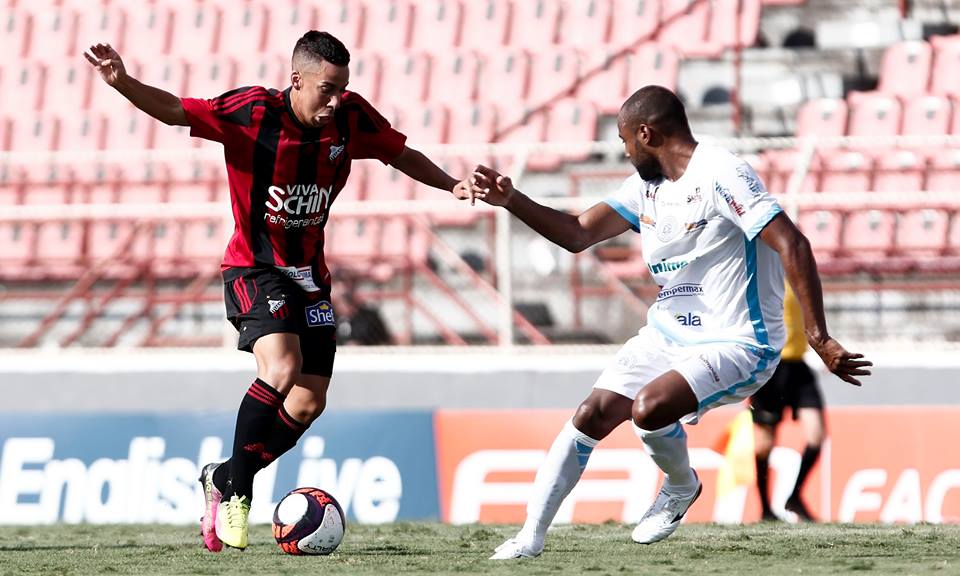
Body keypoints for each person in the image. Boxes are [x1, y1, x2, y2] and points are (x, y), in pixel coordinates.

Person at [85, 31, 475, 552]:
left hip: (310, 277)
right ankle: (239, 493)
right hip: (253, 267)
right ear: (297, 80)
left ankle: (223, 474)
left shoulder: (352, 118)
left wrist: (450, 184)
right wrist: (124, 83)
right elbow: (177, 111)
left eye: (343, 89)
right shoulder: (250, 112)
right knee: (281, 367)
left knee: (310, 400)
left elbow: (399, 153)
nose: (335, 101)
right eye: (327, 89)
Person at [467, 85, 871, 560]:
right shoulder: (645, 188)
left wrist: (819, 338)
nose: (624, 151)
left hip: (739, 341)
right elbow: (577, 234)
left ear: (647, 132)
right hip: (668, 332)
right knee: (590, 414)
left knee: (649, 408)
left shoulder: (721, 171)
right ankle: (530, 536)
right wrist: (513, 199)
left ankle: (681, 484)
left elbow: (793, 244)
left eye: (625, 141)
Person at [751, 282, 825, 522]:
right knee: (764, 444)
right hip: (769, 368)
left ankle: (795, 496)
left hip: (798, 366)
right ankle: (765, 509)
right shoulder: (760, 273)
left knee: (816, 435)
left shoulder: (796, 273)